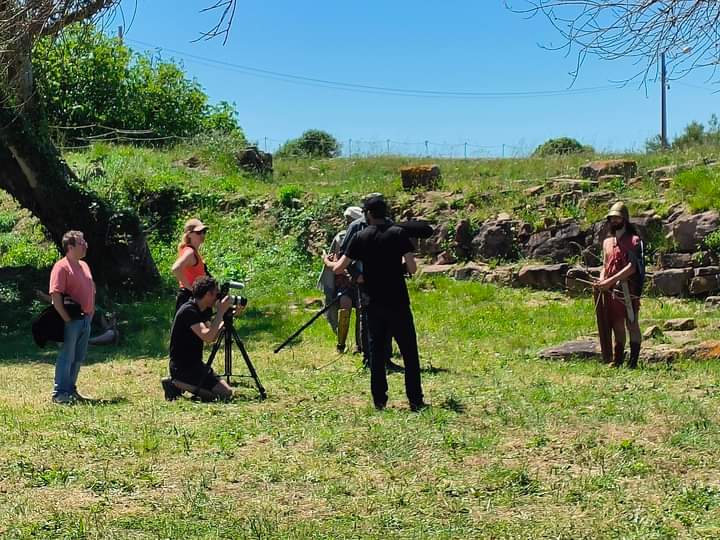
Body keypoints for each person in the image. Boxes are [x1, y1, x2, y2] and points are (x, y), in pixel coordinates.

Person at [324, 195, 426, 411]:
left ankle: (380, 400)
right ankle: (415, 400)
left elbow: (339, 268)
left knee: (376, 352)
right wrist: (396, 269)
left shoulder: (361, 236)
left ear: (368, 214)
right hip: (398, 300)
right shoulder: (398, 233)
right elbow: (412, 267)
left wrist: (328, 261)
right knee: (409, 351)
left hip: (373, 302)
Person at [162, 276, 241, 401]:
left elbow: (212, 335)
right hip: (182, 367)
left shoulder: (204, 309)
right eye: (216, 294)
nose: (218, 297)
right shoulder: (188, 311)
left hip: (196, 364)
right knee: (224, 395)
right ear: (207, 294)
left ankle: (183, 384)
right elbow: (208, 336)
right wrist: (220, 312)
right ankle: (174, 383)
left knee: (227, 392)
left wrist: (227, 317)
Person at [594, 202, 644, 368]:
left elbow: (632, 267)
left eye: (618, 217)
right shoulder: (607, 242)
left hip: (628, 289)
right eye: (612, 218)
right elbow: (605, 265)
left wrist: (610, 281)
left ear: (625, 219)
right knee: (616, 324)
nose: (614, 220)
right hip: (611, 290)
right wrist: (602, 280)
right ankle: (618, 358)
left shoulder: (634, 240)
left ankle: (633, 361)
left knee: (632, 323)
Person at [49, 230, 95, 404]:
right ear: (70, 247)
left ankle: (70, 389)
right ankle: (59, 393)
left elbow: (91, 287)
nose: (85, 245)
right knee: (67, 356)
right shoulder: (61, 267)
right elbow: (55, 294)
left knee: (78, 357)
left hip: (85, 319)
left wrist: (91, 311)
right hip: (71, 320)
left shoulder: (84, 265)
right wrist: (65, 318)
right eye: (81, 243)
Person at [318, 206, 364, 353]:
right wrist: (331, 261)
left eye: (350, 220)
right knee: (345, 307)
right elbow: (338, 262)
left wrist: (327, 261)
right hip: (344, 282)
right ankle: (341, 344)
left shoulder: (366, 237)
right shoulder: (341, 237)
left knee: (362, 313)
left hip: (361, 281)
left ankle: (361, 345)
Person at [171, 218, 209, 313]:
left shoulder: (193, 251)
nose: (202, 235)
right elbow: (176, 268)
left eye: (204, 231)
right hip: (189, 298)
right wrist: (190, 288)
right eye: (198, 232)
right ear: (189, 234)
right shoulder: (190, 252)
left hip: (196, 297)